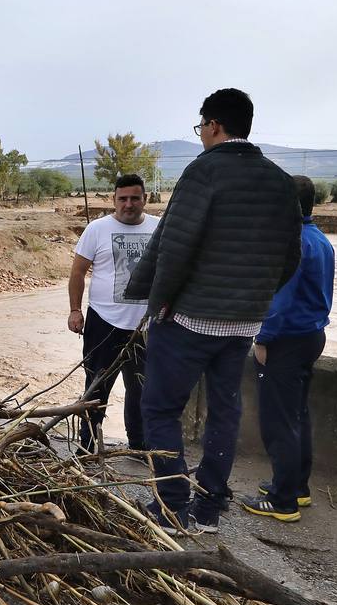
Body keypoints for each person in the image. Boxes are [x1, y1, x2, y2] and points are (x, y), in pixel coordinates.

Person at [124, 88, 301, 535]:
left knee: (161, 408)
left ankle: (172, 503)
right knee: (226, 409)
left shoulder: (204, 171)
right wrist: (252, 299)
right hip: (243, 323)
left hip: (189, 320)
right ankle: (208, 508)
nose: (201, 134)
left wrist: (157, 303)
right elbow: (290, 259)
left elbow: (175, 246)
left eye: (201, 126)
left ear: (214, 125)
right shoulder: (281, 182)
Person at [239, 175, 334, 522]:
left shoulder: (292, 244)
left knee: (279, 421)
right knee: (297, 416)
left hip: (287, 341)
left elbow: (280, 301)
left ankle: (282, 502)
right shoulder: (319, 239)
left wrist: (263, 339)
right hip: (311, 336)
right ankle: (297, 487)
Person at [67, 174, 159, 453]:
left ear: (145, 199)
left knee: (142, 389)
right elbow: (78, 272)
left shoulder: (160, 228)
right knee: (97, 386)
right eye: (123, 199)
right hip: (103, 323)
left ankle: (139, 445)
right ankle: (88, 445)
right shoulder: (97, 229)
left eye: (135, 198)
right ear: (114, 200)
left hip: (146, 326)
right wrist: (74, 310)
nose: (128, 204)